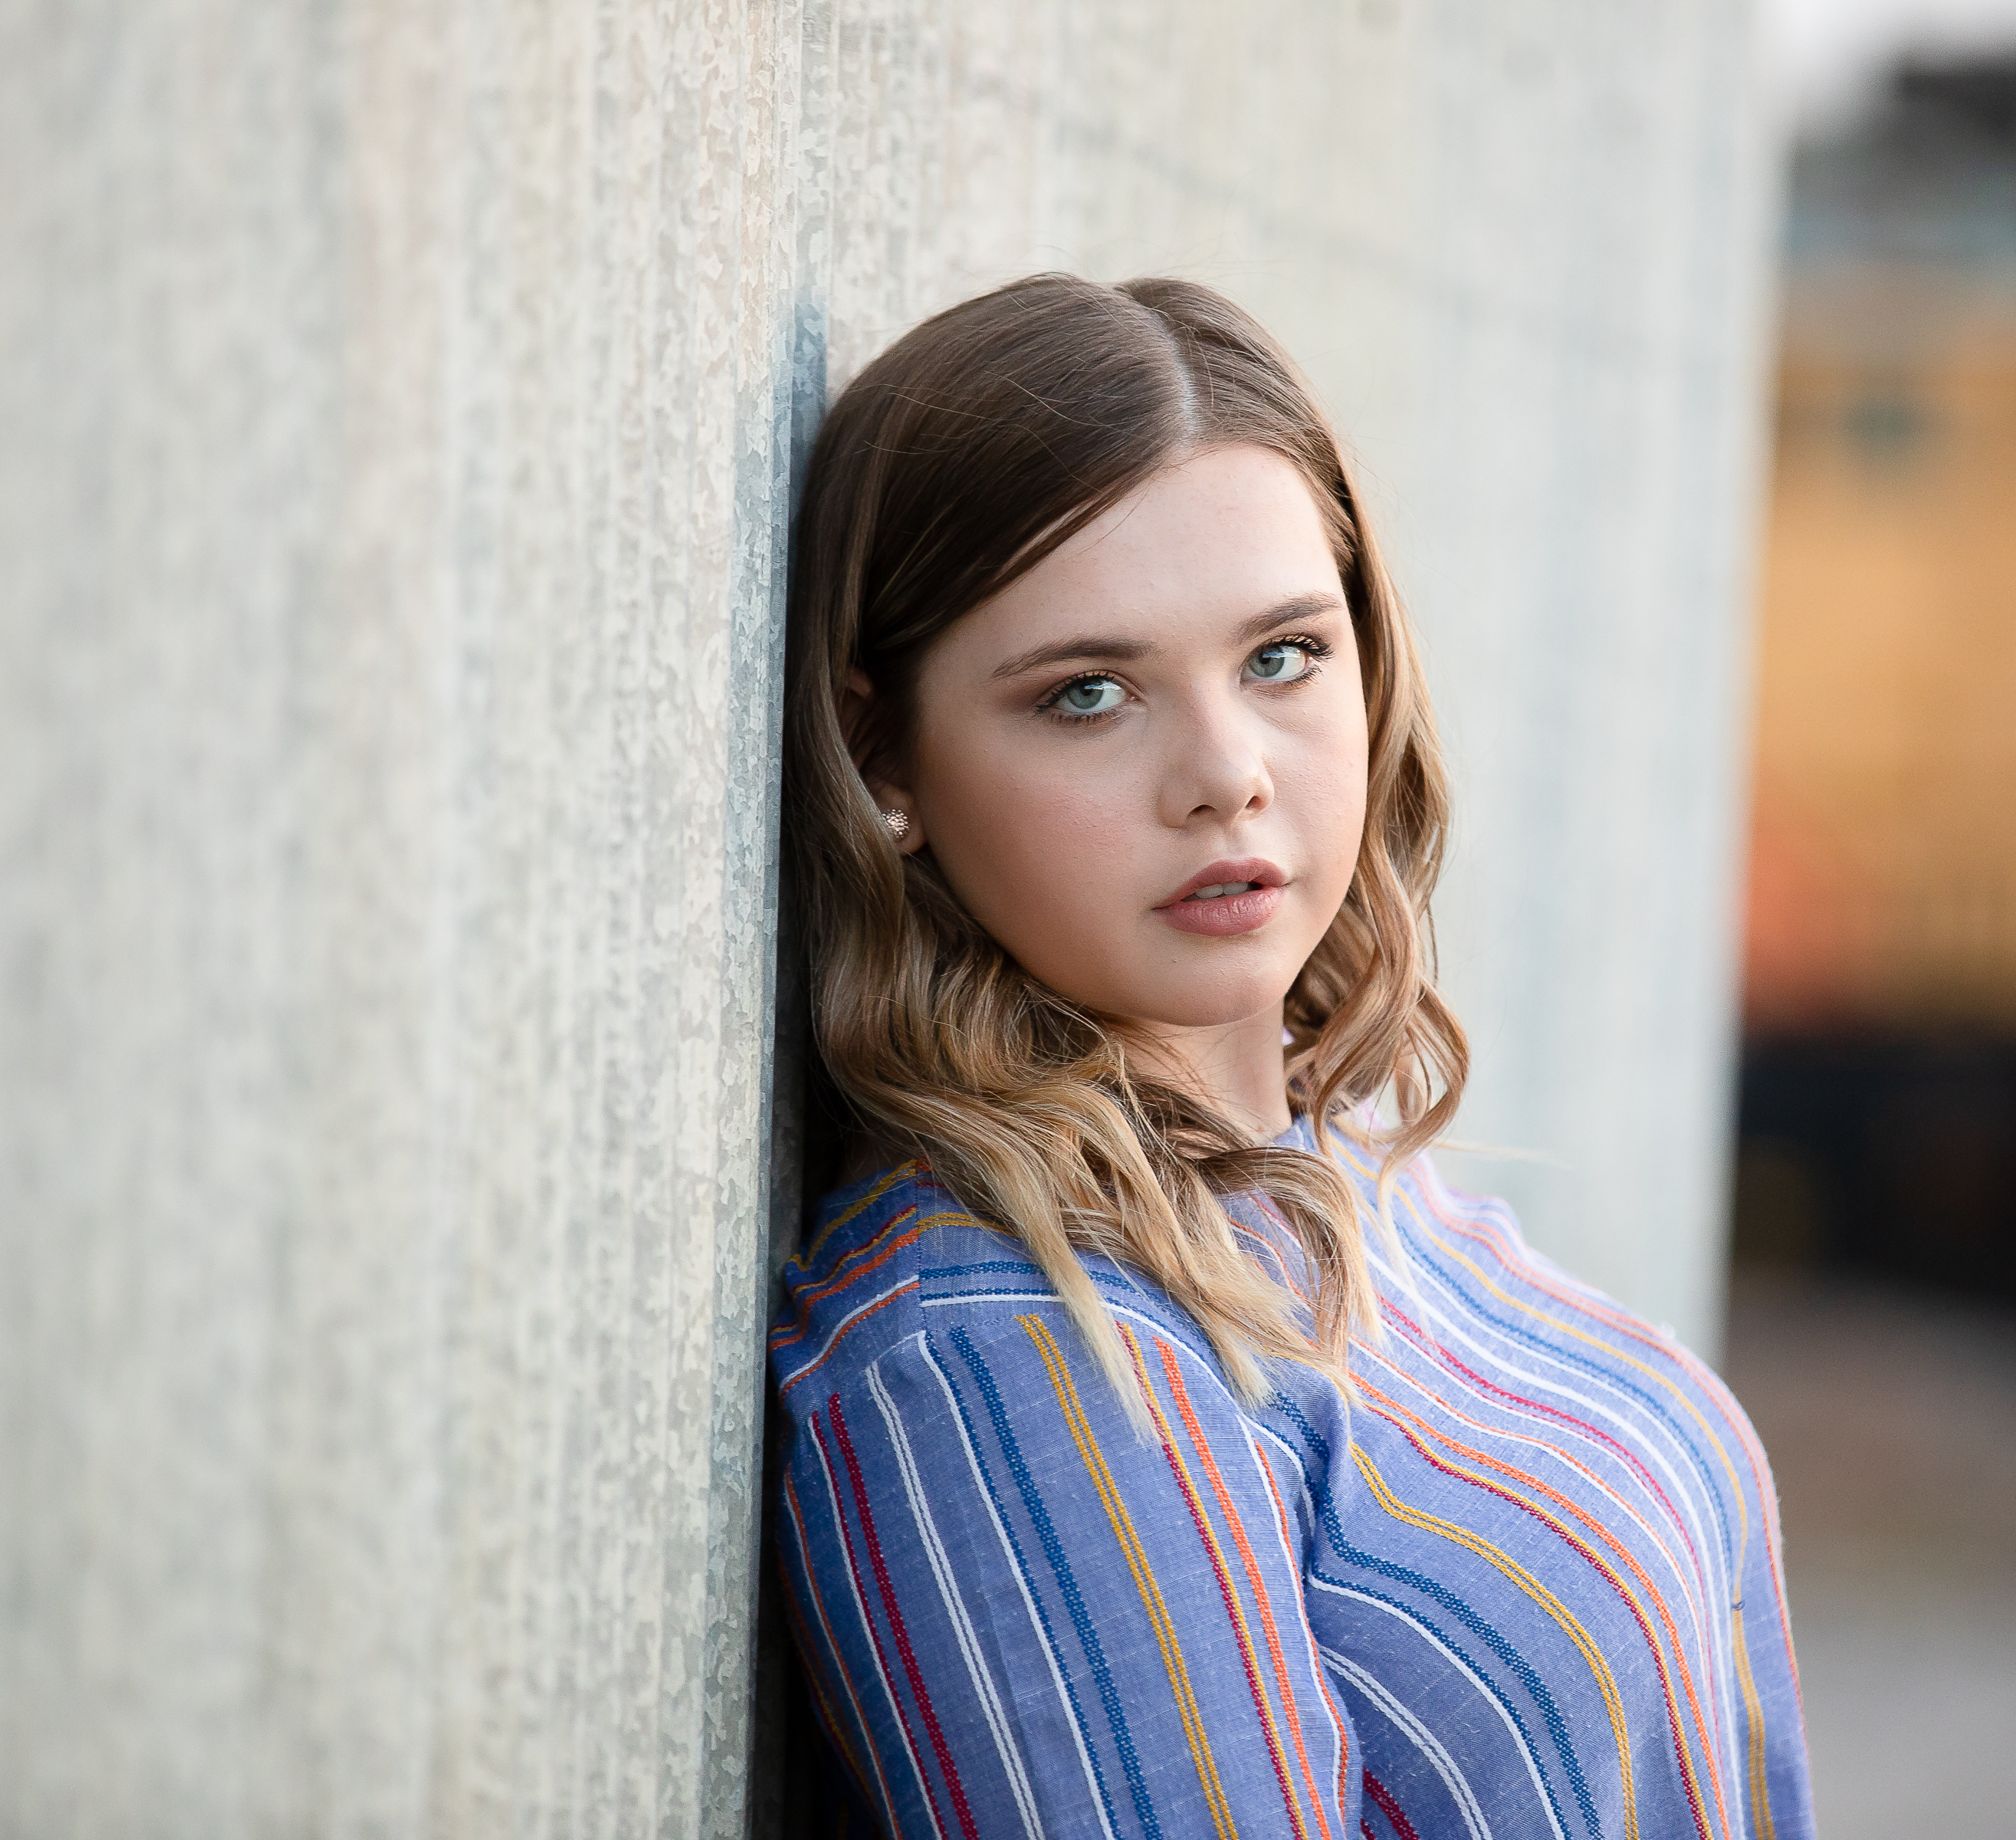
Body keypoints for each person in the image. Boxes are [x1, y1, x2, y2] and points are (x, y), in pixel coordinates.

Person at [770, 273, 1812, 1840]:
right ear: (882, 757)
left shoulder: (1342, 1166)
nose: (1226, 777)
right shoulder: (1007, 1348)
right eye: (1089, 695)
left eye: (1280, 658)